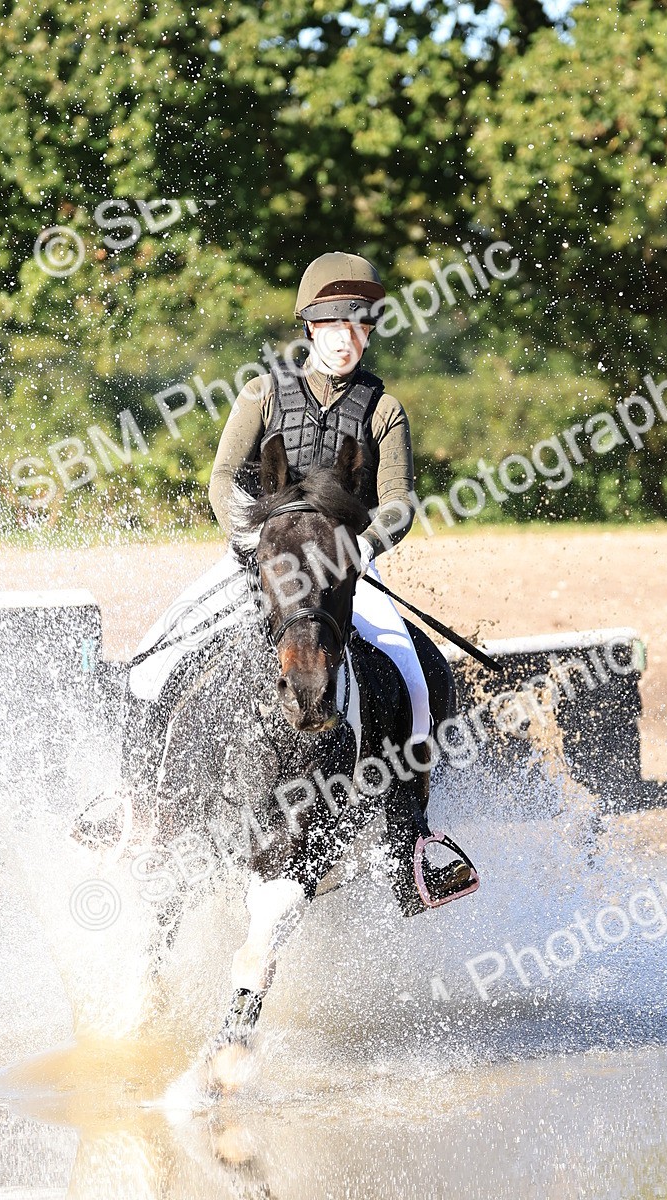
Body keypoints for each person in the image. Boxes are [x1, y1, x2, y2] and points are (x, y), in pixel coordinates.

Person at [125, 252, 474, 914]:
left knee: (420, 677)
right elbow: (224, 478)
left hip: (344, 569)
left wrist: (362, 549)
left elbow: (397, 503)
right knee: (151, 664)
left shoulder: (384, 408)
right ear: (311, 329)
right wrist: (250, 541)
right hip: (260, 559)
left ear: (368, 331)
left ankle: (416, 845)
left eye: (359, 325)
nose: (347, 338)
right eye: (334, 326)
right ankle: (136, 815)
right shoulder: (262, 393)